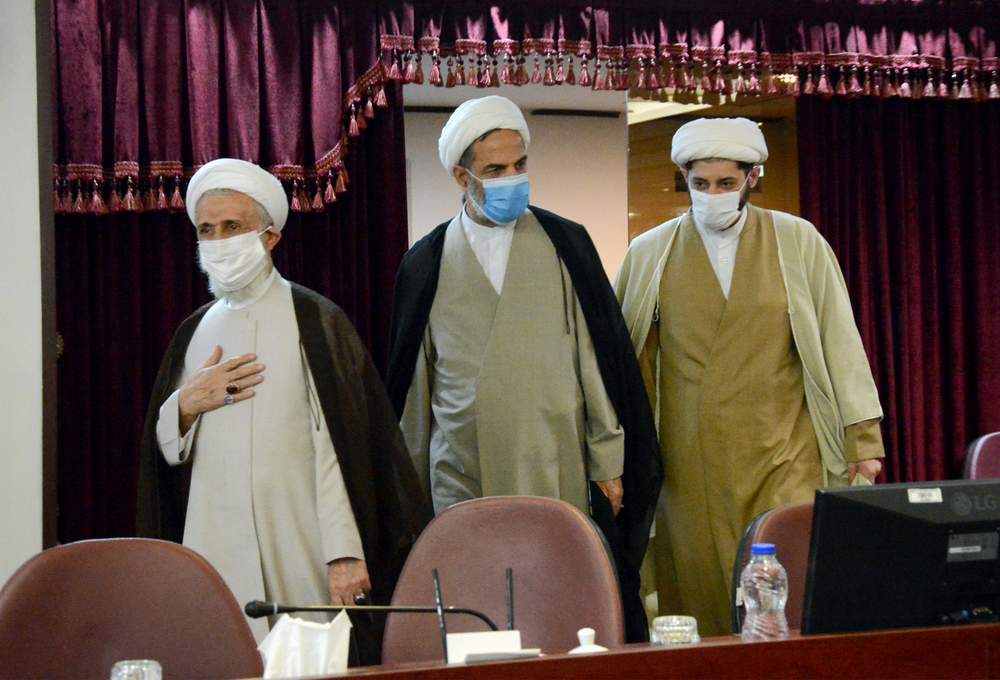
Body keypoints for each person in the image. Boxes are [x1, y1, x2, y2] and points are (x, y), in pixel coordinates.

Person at [385, 96, 661, 642]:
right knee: (476, 608)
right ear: (462, 177)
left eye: (520, 165)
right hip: (462, 470)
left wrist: (608, 461)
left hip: (554, 460)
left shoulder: (565, 242)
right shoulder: (427, 260)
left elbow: (595, 360)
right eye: (495, 170)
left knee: (556, 605)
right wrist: (409, 490)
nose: (512, 179)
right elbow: (414, 387)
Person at [136, 158, 430, 662]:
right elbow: (163, 455)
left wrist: (343, 552)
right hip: (215, 541)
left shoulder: (314, 320)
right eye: (207, 230)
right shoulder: (193, 332)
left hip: (300, 539)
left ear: (270, 237)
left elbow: (338, 448)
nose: (218, 240)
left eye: (233, 226)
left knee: (309, 659)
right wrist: (185, 405)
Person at [615, 117, 885, 637]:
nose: (712, 195)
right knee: (702, 598)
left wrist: (863, 440)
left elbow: (840, 341)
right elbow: (628, 368)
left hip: (783, 450)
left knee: (788, 594)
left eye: (726, 182)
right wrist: (621, 459)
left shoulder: (797, 241)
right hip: (688, 465)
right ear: (684, 179)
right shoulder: (650, 252)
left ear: (752, 177)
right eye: (700, 183)